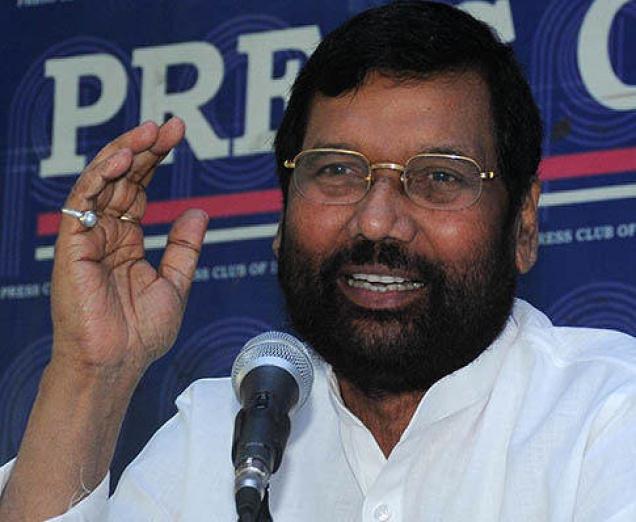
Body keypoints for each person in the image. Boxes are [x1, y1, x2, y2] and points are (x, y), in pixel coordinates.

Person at [1, 1, 635, 520]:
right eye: (335, 170)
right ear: (281, 214)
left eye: (440, 177)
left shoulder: (608, 413)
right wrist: (91, 373)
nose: (377, 220)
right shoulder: (220, 429)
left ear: (522, 223)